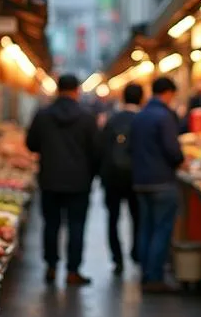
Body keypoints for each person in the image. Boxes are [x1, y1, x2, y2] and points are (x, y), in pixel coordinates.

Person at [25, 73, 99, 287]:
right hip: (79, 182)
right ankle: (73, 271)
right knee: (77, 225)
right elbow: (96, 151)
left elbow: (31, 144)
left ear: (57, 90)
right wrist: (90, 175)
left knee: (51, 225)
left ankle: (51, 266)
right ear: (77, 90)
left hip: (50, 179)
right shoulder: (87, 117)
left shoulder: (43, 115)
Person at [132, 76, 184, 293]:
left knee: (146, 227)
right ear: (168, 93)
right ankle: (155, 277)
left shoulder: (140, 115)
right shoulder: (164, 117)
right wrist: (181, 160)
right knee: (162, 229)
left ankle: (145, 272)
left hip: (141, 181)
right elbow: (172, 150)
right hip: (162, 181)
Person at [99, 82, 142, 274]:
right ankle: (136, 253)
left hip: (112, 178)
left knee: (113, 219)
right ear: (141, 98)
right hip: (135, 177)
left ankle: (117, 259)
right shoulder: (142, 120)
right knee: (137, 217)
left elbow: (101, 148)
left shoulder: (112, 119)